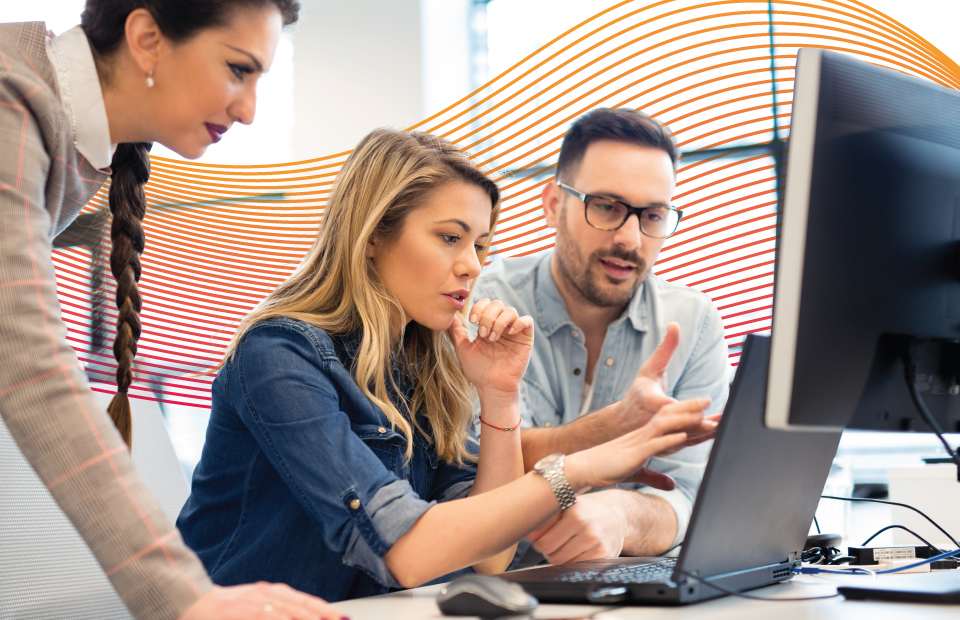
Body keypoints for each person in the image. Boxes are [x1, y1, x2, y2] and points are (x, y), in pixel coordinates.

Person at [176, 128, 713, 602]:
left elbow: (492, 555)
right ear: (372, 236)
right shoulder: (277, 355)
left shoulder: (419, 363)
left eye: (480, 244)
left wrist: (500, 396)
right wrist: (574, 469)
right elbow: (406, 549)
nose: (473, 265)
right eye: (450, 238)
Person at [0, 2, 343, 618]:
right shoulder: (10, 101)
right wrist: (184, 599)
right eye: (239, 69)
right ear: (147, 38)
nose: (249, 110)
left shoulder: (66, 134)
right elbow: (27, 364)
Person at [472, 107, 729, 567]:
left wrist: (622, 514)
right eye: (607, 207)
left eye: (652, 215)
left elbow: (693, 498)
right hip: (500, 588)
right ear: (553, 204)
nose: (630, 239)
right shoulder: (486, 304)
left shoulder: (695, 322)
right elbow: (489, 466)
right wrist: (620, 424)